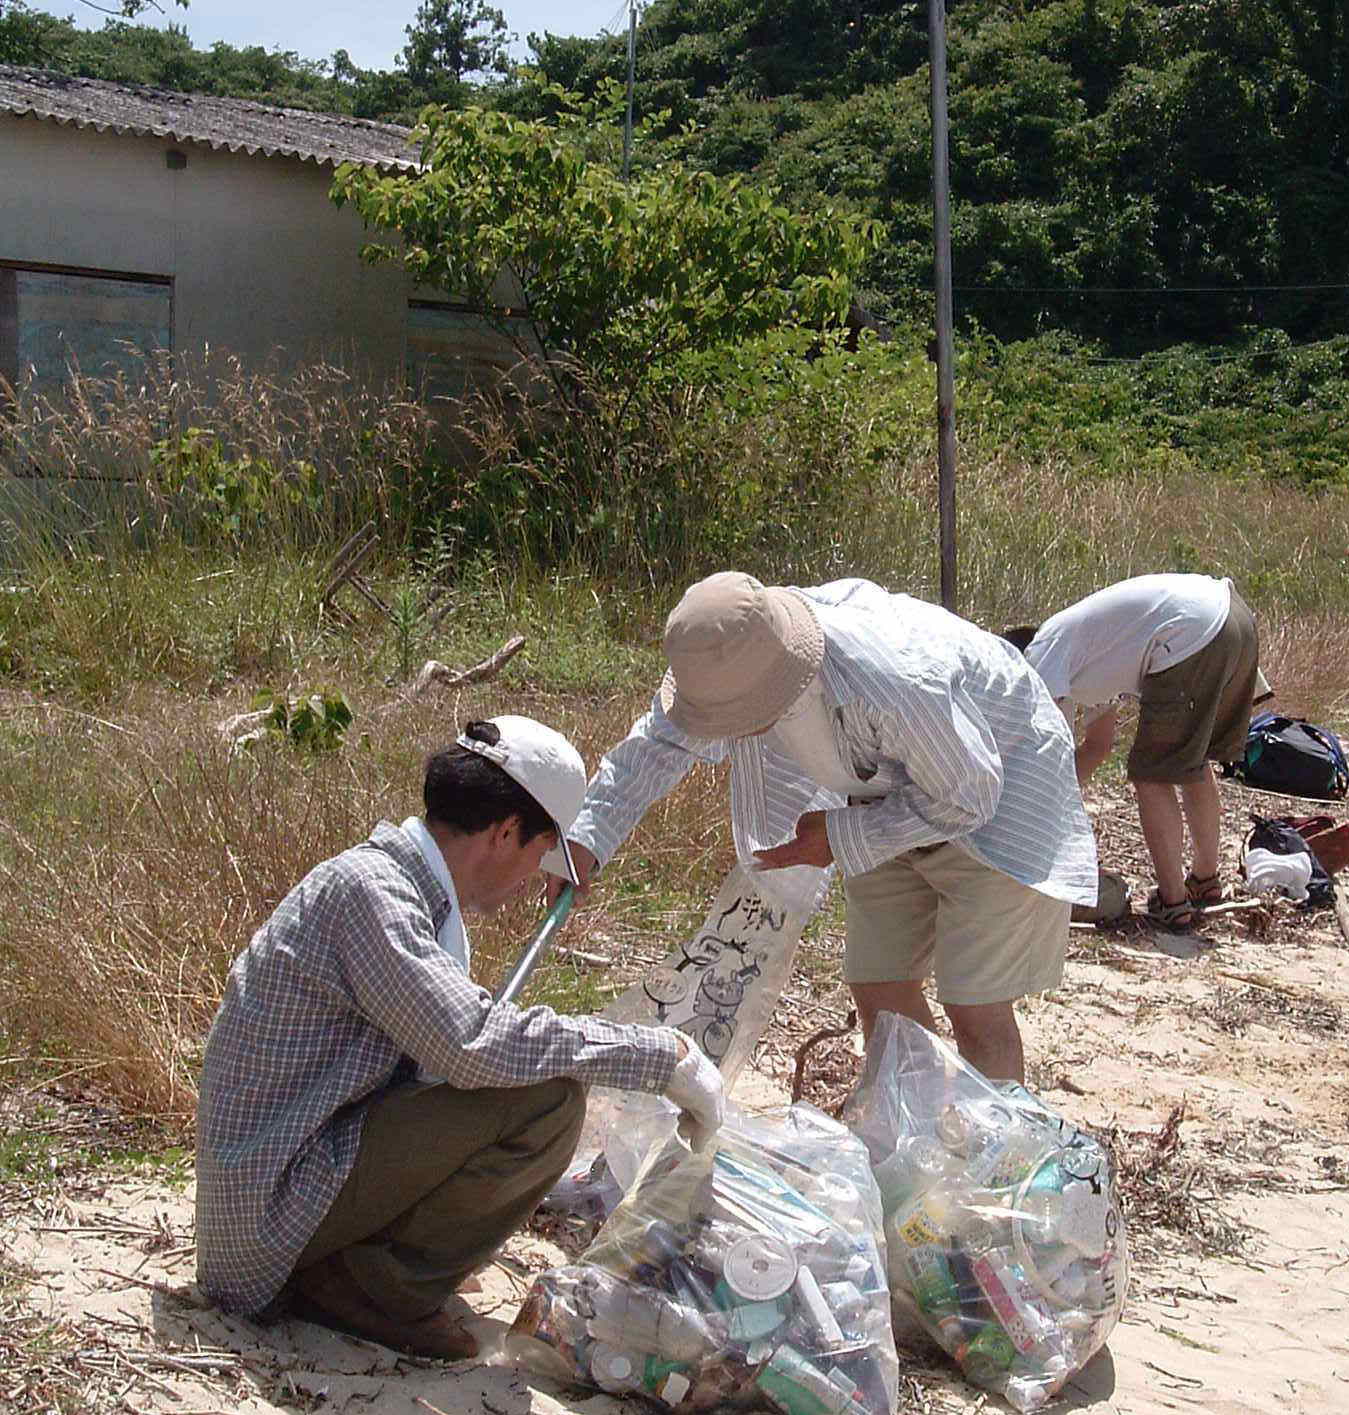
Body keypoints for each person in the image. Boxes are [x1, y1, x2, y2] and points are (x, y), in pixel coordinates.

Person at [195, 716, 724, 1361]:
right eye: (539, 854)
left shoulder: (400, 888)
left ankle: (360, 1266)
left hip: (288, 1171)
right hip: (268, 1212)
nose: (536, 875)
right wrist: (655, 1056)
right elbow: (469, 1044)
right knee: (547, 1099)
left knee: (520, 1079)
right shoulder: (373, 895)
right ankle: (366, 1291)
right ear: (504, 833)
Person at [551, 573, 1097, 1085]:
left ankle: (993, 1168)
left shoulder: (893, 681)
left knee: (975, 1003)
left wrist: (837, 838)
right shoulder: (728, 654)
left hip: (1000, 788)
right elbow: (659, 743)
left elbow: (971, 795)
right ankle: (919, 1136)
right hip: (882, 798)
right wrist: (586, 839)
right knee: (879, 986)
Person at [1006, 574, 1267, 932]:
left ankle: (1174, 903)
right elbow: (1096, 749)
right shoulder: (1091, 654)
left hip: (1192, 632)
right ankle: (1205, 882)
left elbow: (1043, 757)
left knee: (1152, 774)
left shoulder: (1042, 655)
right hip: (1232, 619)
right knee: (1192, 760)